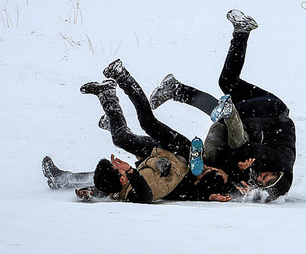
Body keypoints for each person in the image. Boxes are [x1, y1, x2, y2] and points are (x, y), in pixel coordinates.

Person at [149, 9, 296, 201]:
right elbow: (248, 151)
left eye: (262, 181)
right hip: (272, 110)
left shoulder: (262, 175)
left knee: (227, 82)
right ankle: (176, 90)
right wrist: (242, 165)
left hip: (257, 118)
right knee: (224, 114)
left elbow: (242, 162)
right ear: (279, 174)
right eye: (268, 177)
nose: (262, 177)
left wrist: (239, 174)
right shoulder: (280, 162)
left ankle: (241, 32)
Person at [74, 61, 232, 203]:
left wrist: (92, 191)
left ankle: (107, 94)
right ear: (122, 179)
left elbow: (113, 186)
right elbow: (144, 194)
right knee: (147, 123)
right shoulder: (133, 193)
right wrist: (131, 170)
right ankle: (122, 77)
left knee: (122, 139)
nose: (120, 165)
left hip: (158, 153)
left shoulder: (124, 185)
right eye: (118, 168)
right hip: (181, 152)